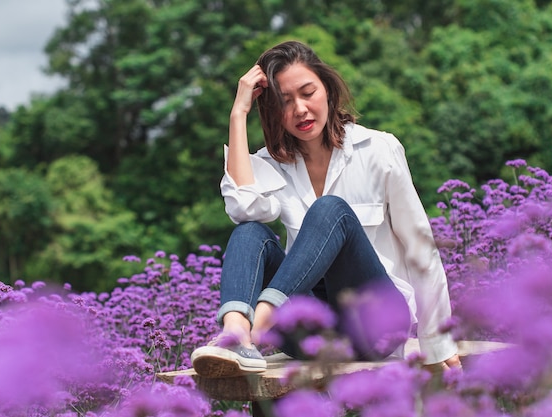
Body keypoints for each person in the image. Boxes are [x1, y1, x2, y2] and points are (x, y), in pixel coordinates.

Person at [191, 40, 461, 378]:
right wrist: (238, 113)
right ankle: (235, 335)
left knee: (330, 210)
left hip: (375, 327)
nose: (300, 109)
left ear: (328, 92)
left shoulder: (378, 150)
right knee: (250, 232)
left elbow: (420, 247)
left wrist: (437, 346)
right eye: (285, 102)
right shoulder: (270, 164)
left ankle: (257, 328)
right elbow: (244, 208)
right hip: (311, 334)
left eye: (308, 93)